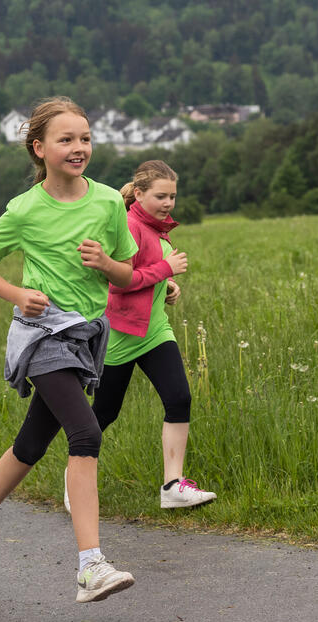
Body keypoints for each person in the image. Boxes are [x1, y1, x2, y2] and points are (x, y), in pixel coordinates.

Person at [0, 97, 139, 603]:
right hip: (42, 336)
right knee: (85, 432)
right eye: (66, 139)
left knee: (32, 443)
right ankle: (90, 566)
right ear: (39, 148)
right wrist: (19, 295)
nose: (79, 147)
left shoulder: (106, 202)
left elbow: (127, 272)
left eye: (85, 138)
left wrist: (106, 263)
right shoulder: (25, 209)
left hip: (86, 337)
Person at [62, 160, 216, 512]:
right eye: (161, 196)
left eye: (173, 197)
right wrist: (166, 269)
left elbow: (147, 275)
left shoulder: (155, 227)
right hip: (121, 333)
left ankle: (173, 486)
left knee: (179, 398)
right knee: (103, 413)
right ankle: (75, 480)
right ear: (140, 193)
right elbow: (120, 281)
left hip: (154, 329)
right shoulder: (129, 226)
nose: (168, 203)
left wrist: (168, 286)